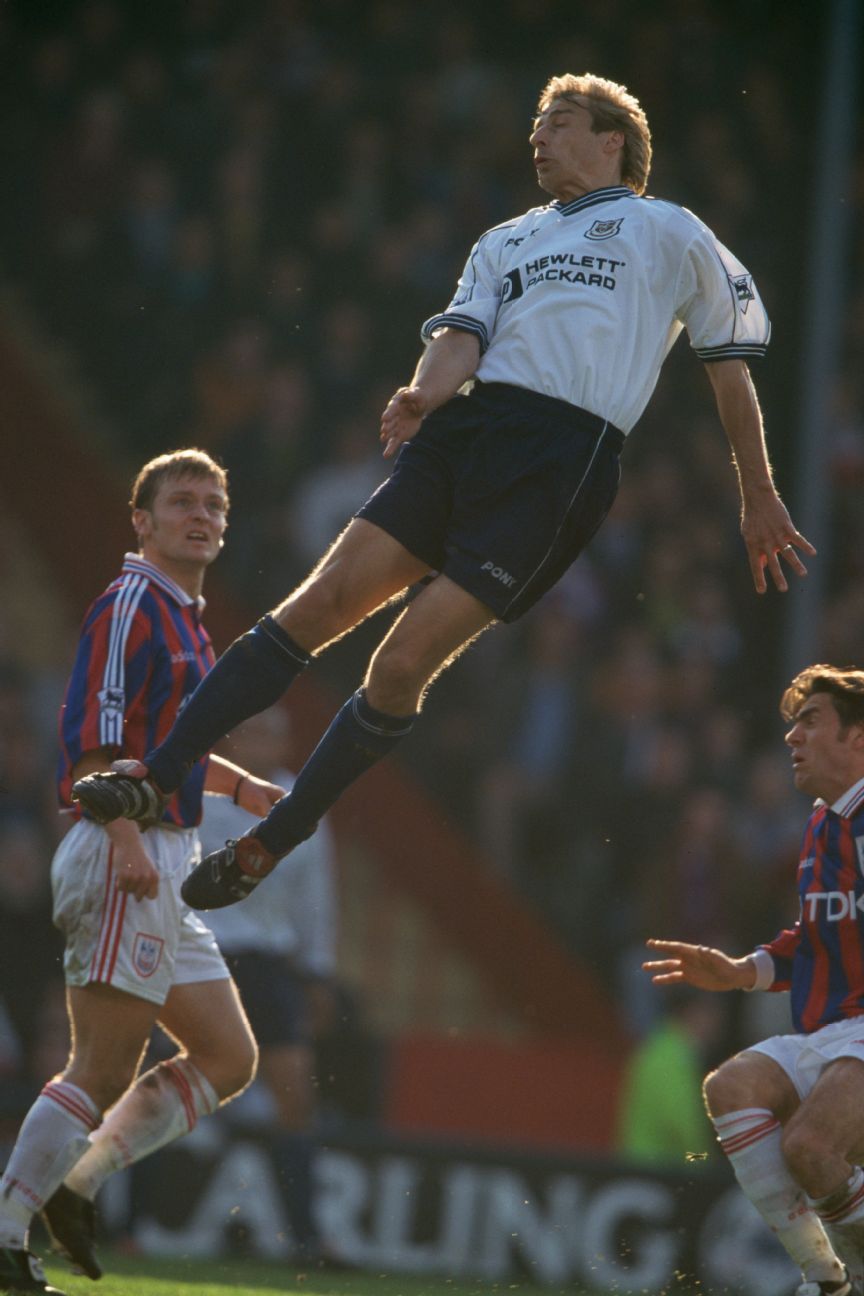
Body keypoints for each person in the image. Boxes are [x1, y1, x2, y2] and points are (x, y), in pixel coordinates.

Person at [72, 71, 815, 912]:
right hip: (467, 431)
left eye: (560, 122)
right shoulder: (505, 240)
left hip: (561, 463)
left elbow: (728, 369)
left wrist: (758, 491)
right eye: (535, 123)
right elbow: (461, 339)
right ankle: (157, 774)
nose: (537, 136)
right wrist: (424, 393)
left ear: (614, 141)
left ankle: (277, 837)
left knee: (400, 662)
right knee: (317, 605)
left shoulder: (668, 231)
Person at [0, 449, 285, 1295]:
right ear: (143, 520)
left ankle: (77, 1186)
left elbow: (170, 751)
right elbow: (97, 735)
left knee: (230, 1057)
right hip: (125, 844)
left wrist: (240, 786)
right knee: (100, 1067)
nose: (202, 515)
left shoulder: (185, 616)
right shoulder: (131, 603)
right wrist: (122, 832)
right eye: (183, 502)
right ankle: (9, 1226)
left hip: (164, 853)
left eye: (215, 504)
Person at [644, 665, 864, 1296]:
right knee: (732, 1086)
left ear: (858, 737)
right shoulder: (825, 823)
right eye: (793, 723)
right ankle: (826, 1279)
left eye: (811, 720)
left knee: (810, 1146)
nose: (793, 737)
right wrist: (741, 971)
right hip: (838, 1030)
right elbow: (814, 939)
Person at [197, 706, 340, 1265]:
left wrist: (319, 971)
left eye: (273, 734)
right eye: (254, 732)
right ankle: (128, 1221)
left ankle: (304, 1237)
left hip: (269, 962)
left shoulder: (303, 805)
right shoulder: (205, 797)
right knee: (167, 1082)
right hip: (203, 953)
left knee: (295, 1095)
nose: (264, 744)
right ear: (235, 737)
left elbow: (316, 899)